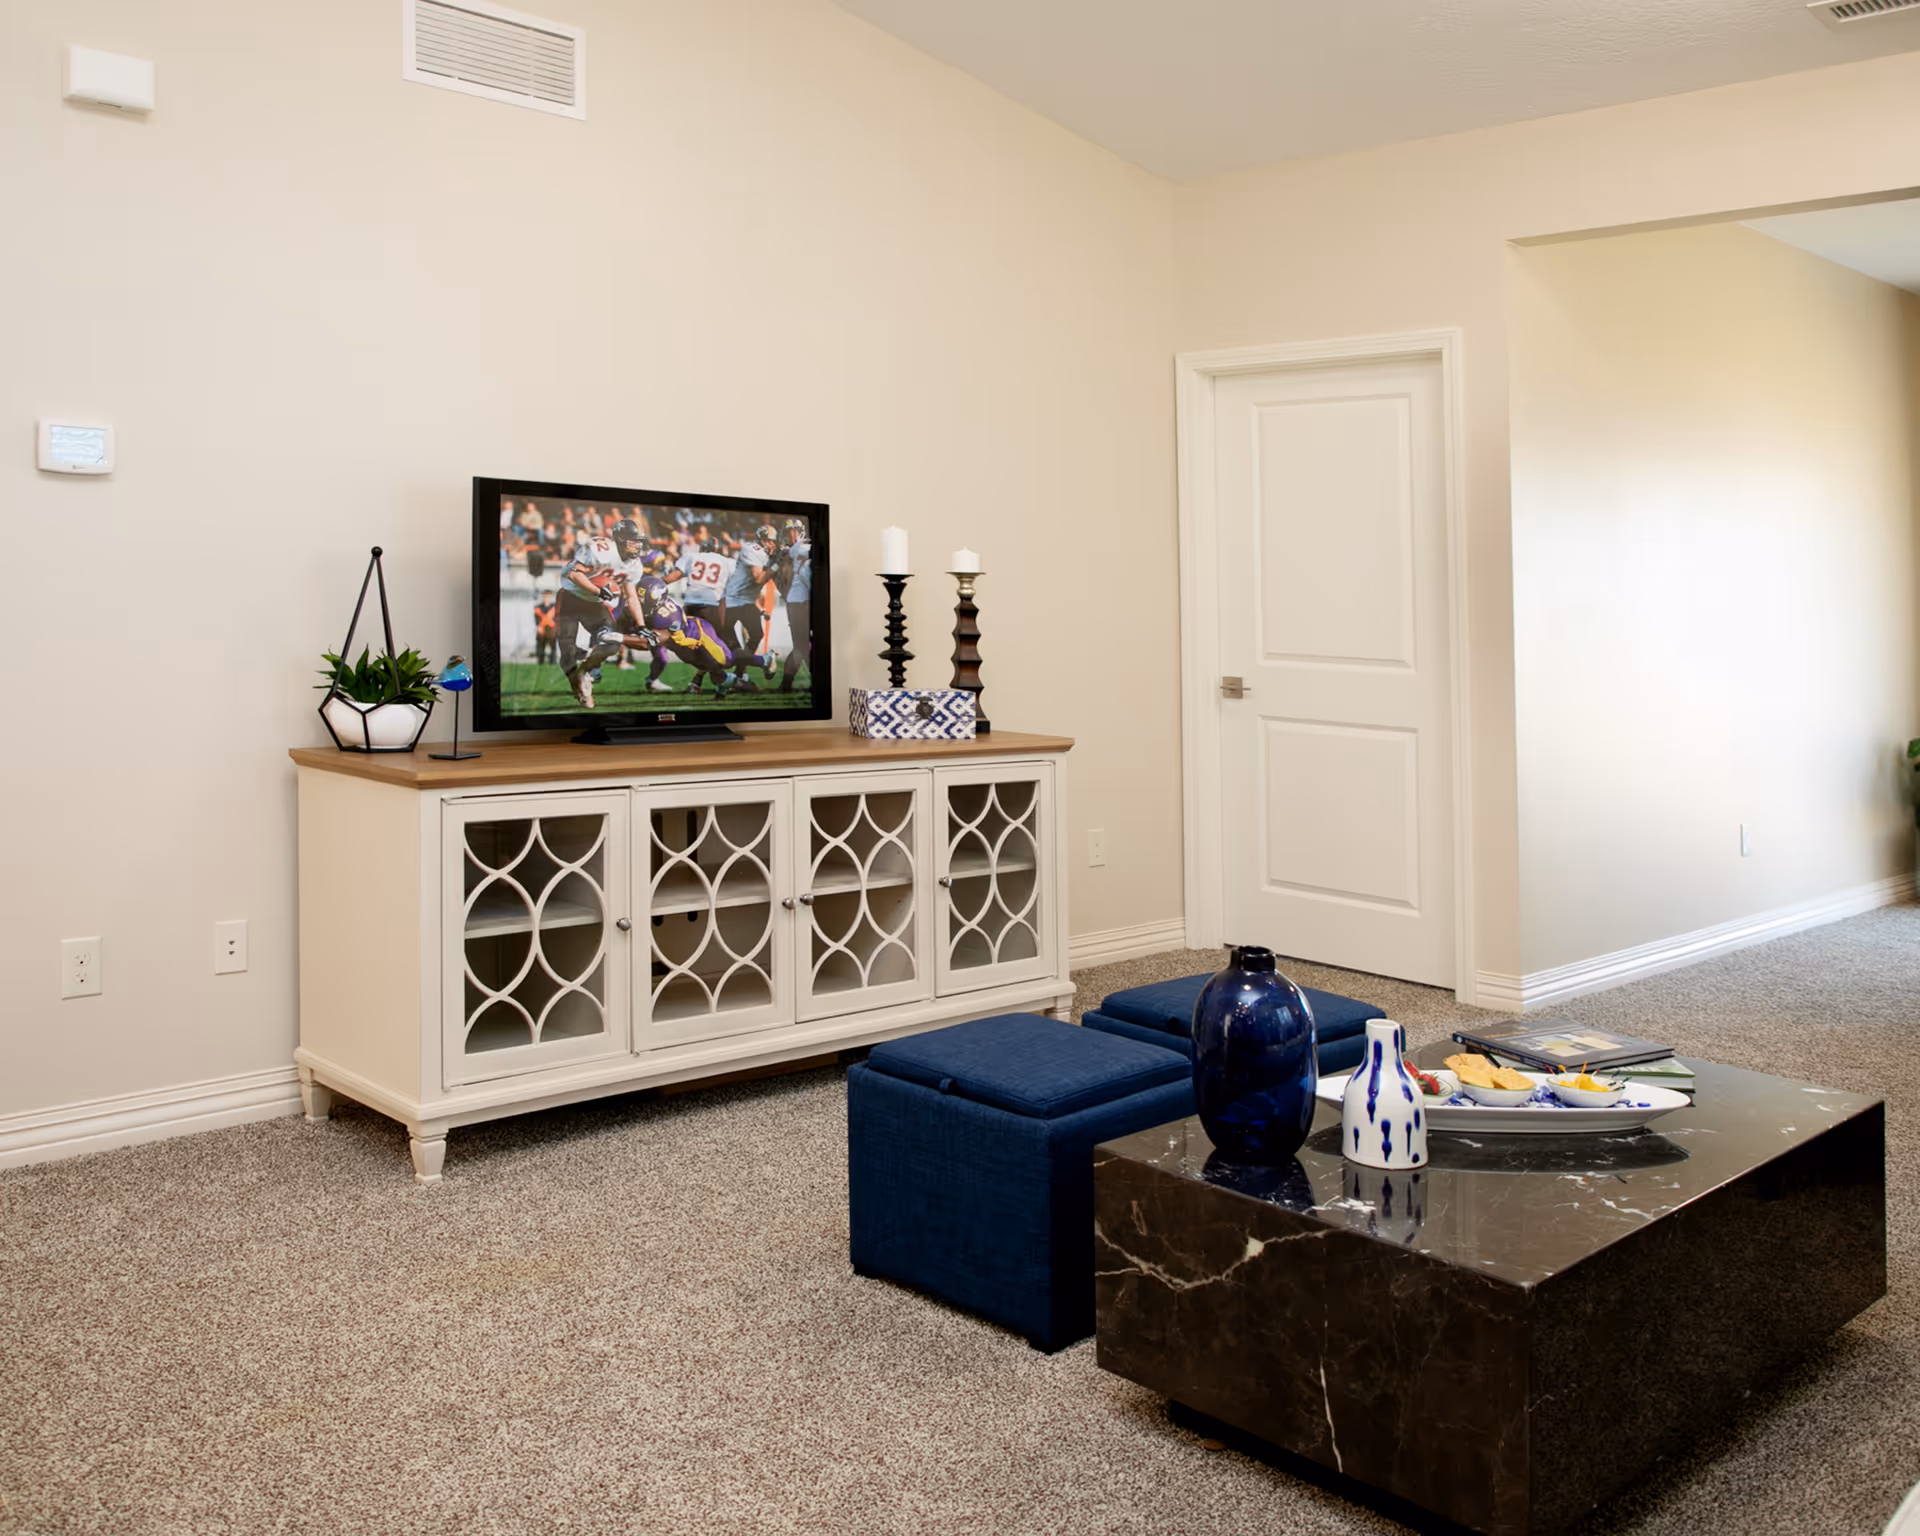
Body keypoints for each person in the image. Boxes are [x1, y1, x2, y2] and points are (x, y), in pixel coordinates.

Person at [554, 517, 645, 707]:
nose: (638, 545)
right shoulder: (600, 550)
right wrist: (597, 590)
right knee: (567, 652)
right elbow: (574, 574)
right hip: (570, 597)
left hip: (594, 604)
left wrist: (641, 625)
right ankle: (578, 690)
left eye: (639, 541)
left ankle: (585, 671)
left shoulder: (634, 565)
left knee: (612, 644)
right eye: (634, 540)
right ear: (621, 539)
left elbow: (632, 596)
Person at [719, 523, 781, 689]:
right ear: (760, 540)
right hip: (732, 602)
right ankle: (762, 661)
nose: (772, 544)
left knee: (756, 635)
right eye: (769, 541)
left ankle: (739, 677)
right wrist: (777, 565)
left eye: (773, 542)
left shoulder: (766, 555)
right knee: (727, 648)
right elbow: (759, 578)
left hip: (746, 602)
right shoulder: (751, 549)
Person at [777, 517, 811, 694]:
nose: (791, 534)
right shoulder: (798, 548)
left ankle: (786, 684)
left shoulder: (798, 548)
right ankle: (788, 684)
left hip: (802, 601)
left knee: (802, 645)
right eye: (788, 531)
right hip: (799, 602)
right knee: (803, 646)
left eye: (794, 531)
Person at [533, 590, 557, 667]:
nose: (547, 598)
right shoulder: (538, 607)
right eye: (545, 596)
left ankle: (552, 662)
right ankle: (541, 662)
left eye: (548, 596)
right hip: (542, 629)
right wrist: (539, 626)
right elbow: (536, 619)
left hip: (551, 629)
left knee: (553, 647)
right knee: (541, 646)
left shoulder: (554, 607)